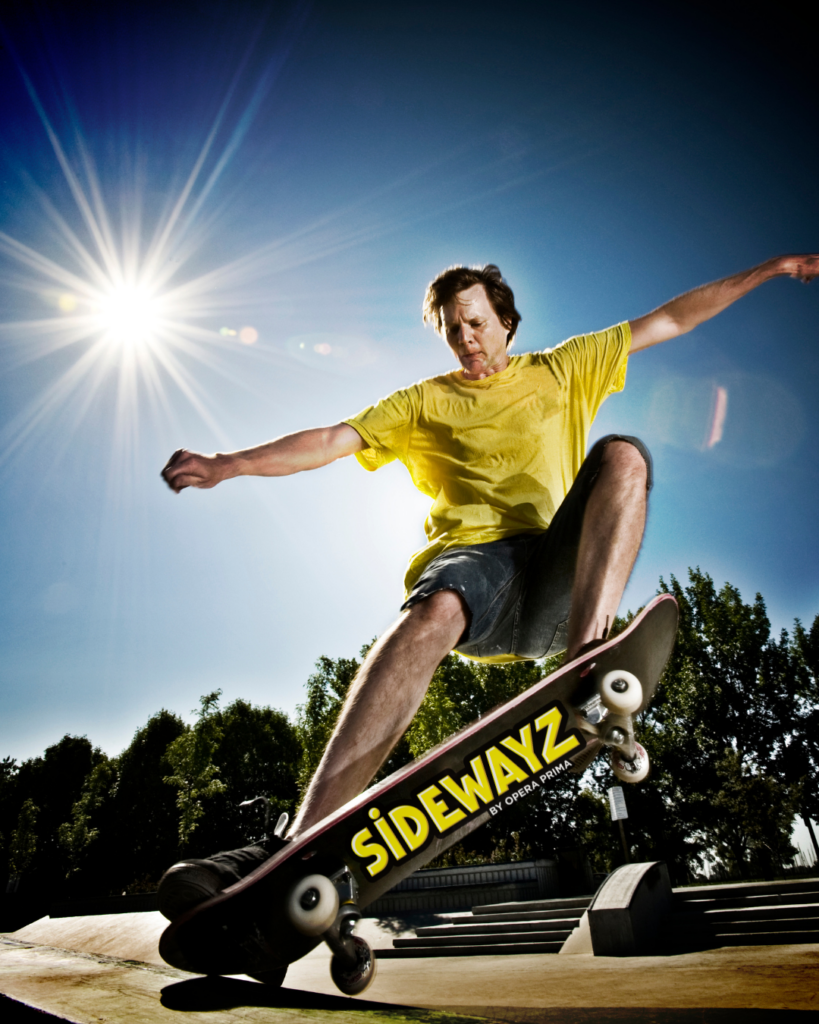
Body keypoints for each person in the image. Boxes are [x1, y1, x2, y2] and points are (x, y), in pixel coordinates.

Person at [157, 253, 818, 918]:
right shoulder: (422, 401)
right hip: (474, 571)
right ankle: (302, 838)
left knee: (622, 456)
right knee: (433, 606)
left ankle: (583, 668)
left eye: (475, 323)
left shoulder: (565, 367)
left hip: (557, 578)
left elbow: (671, 317)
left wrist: (770, 270)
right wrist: (228, 463)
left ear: (504, 322)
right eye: (451, 330)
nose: (465, 339)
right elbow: (333, 438)